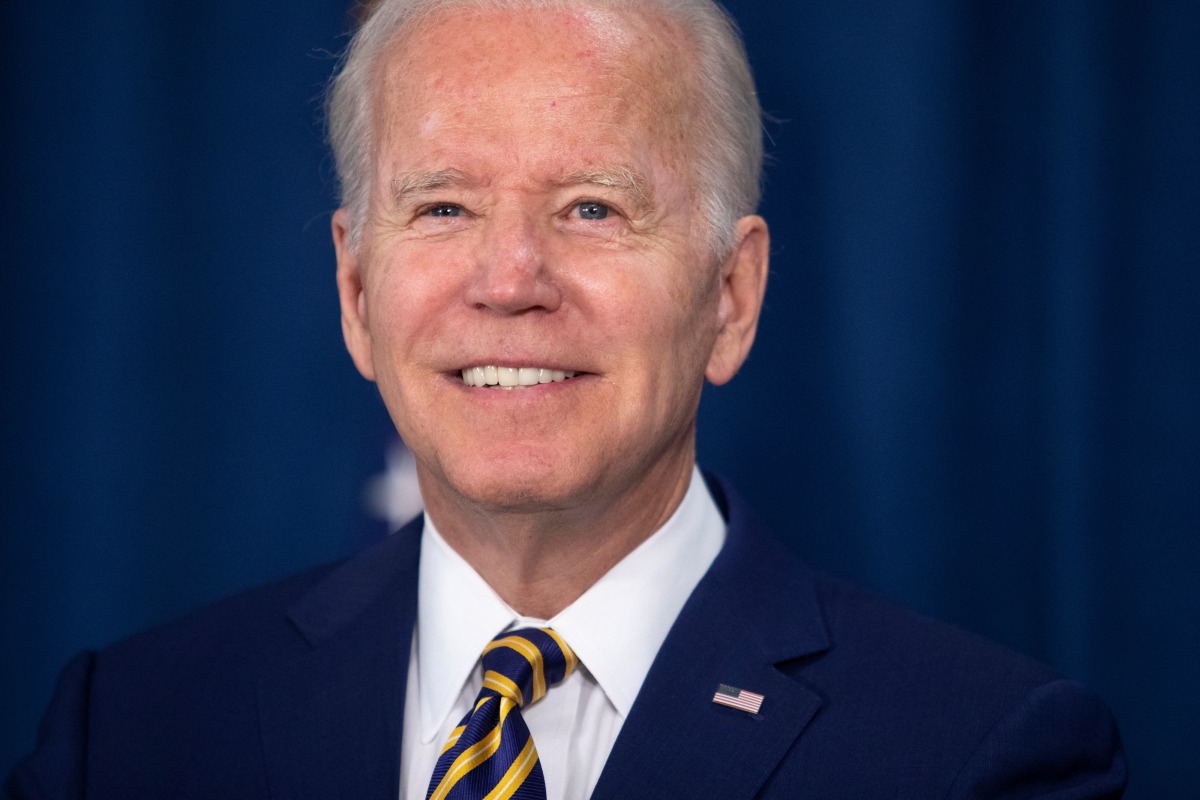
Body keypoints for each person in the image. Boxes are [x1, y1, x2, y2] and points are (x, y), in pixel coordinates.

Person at [7, 0, 1127, 798]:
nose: (509, 281)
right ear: (355, 294)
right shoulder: (127, 734)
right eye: (443, 208)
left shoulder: (977, 754)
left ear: (731, 297)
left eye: (593, 207)